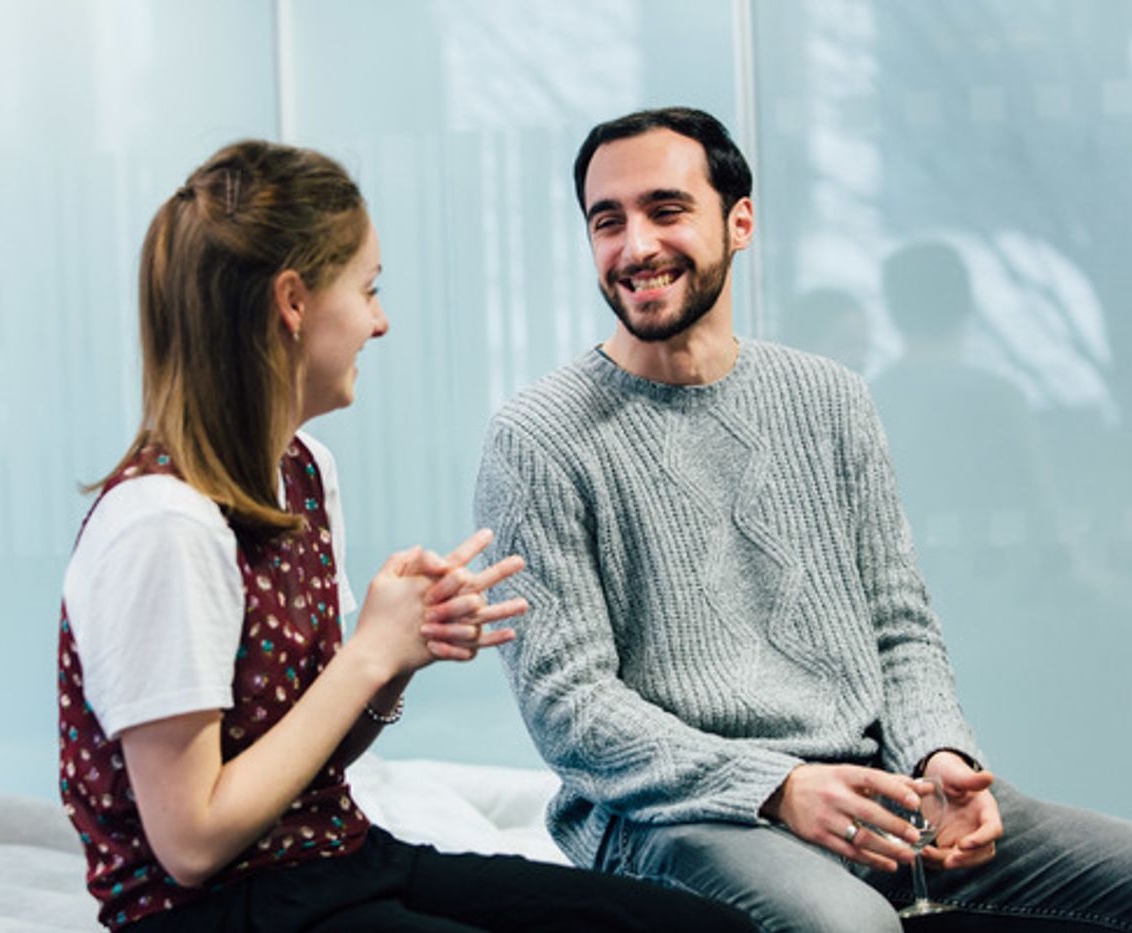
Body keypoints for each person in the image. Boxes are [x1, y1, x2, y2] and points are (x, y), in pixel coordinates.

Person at [57, 139, 754, 933]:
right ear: (293, 302)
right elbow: (192, 841)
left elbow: (308, 762)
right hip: (209, 912)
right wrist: (366, 654)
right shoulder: (161, 527)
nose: (379, 323)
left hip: (335, 861)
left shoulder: (303, 469)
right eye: (368, 289)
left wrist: (396, 660)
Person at [472, 107, 1132, 932]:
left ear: (739, 221)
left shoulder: (830, 398)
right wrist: (776, 787)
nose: (634, 246)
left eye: (666, 210)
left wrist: (940, 756)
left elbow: (899, 626)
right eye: (608, 222)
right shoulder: (537, 437)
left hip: (875, 787)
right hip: (675, 816)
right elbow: (569, 706)